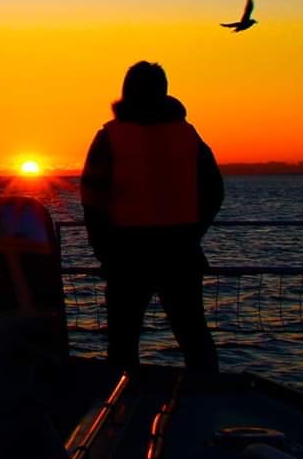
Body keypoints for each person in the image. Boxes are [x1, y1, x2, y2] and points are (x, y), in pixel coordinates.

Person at [81, 61, 224, 372]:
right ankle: (206, 403)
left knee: (122, 343)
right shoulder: (189, 136)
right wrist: (193, 231)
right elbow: (214, 191)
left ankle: (119, 409)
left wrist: (104, 250)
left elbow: (92, 200)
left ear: (126, 92)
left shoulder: (110, 137)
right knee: (194, 337)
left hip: (127, 256)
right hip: (180, 253)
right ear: (164, 91)